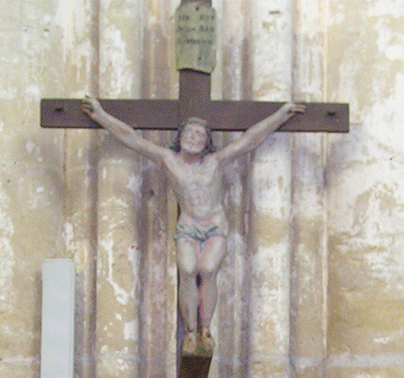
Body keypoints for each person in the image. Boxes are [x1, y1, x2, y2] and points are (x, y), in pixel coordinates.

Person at [81, 96, 305, 356]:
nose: (194, 139)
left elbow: (250, 139)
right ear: (180, 137)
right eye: (190, 133)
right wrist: (100, 115)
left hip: (215, 225)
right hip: (188, 226)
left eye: (200, 136)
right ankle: (190, 331)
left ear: (207, 143)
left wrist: (282, 114)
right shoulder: (168, 159)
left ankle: (205, 329)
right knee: (187, 269)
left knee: (207, 270)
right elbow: (131, 138)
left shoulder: (214, 162)